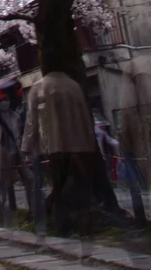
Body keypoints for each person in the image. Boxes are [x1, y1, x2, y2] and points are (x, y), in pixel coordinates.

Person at [22, 71, 98, 234]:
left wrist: (27, 147)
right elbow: (86, 117)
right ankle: (83, 222)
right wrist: (90, 142)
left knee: (58, 185)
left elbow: (32, 121)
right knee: (78, 185)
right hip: (79, 145)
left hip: (54, 145)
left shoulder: (39, 87)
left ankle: (63, 224)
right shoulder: (74, 86)